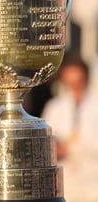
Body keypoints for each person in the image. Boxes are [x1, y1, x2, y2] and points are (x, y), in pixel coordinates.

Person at [41, 53, 98, 202]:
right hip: (65, 176)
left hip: (93, 174)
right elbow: (47, 139)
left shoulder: (95, 104)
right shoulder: (55, 106)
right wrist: (57, 149)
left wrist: (75, 148)